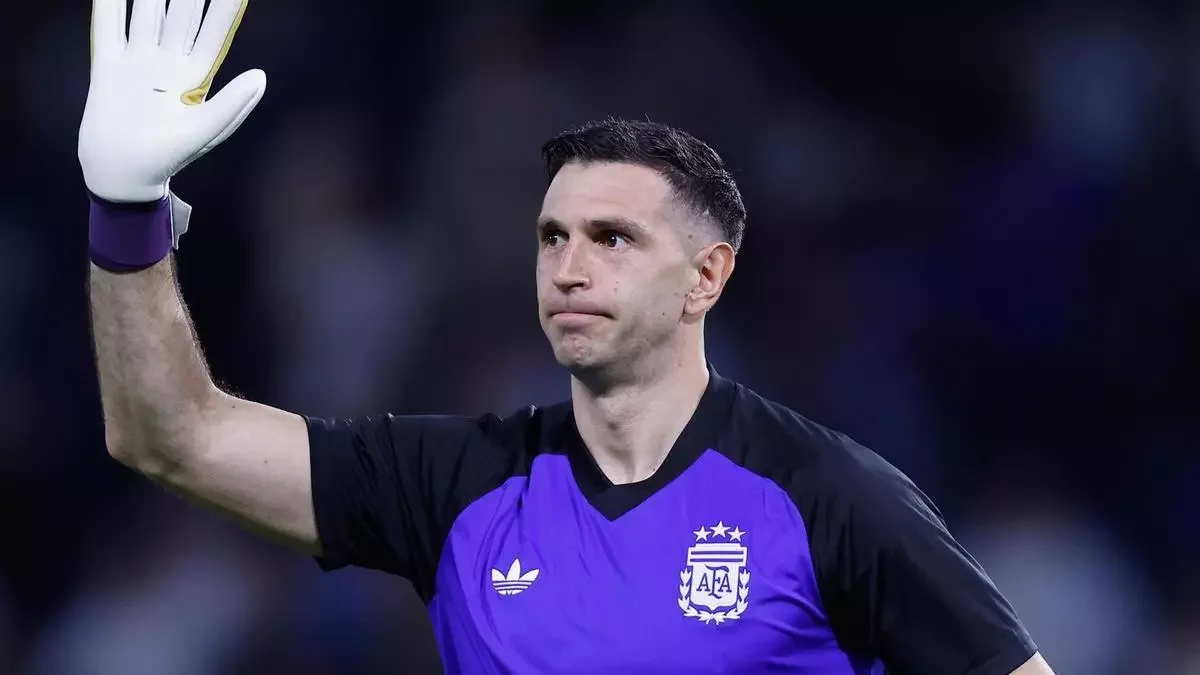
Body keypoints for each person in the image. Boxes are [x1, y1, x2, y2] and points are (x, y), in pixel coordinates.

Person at [80, 1, 1055, 673]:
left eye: (612, 238)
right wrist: (126, 213)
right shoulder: (458, 486)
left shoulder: (832, 498)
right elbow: (171, 434)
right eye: (553, 237)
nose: (569, 267)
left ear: (708, 276)